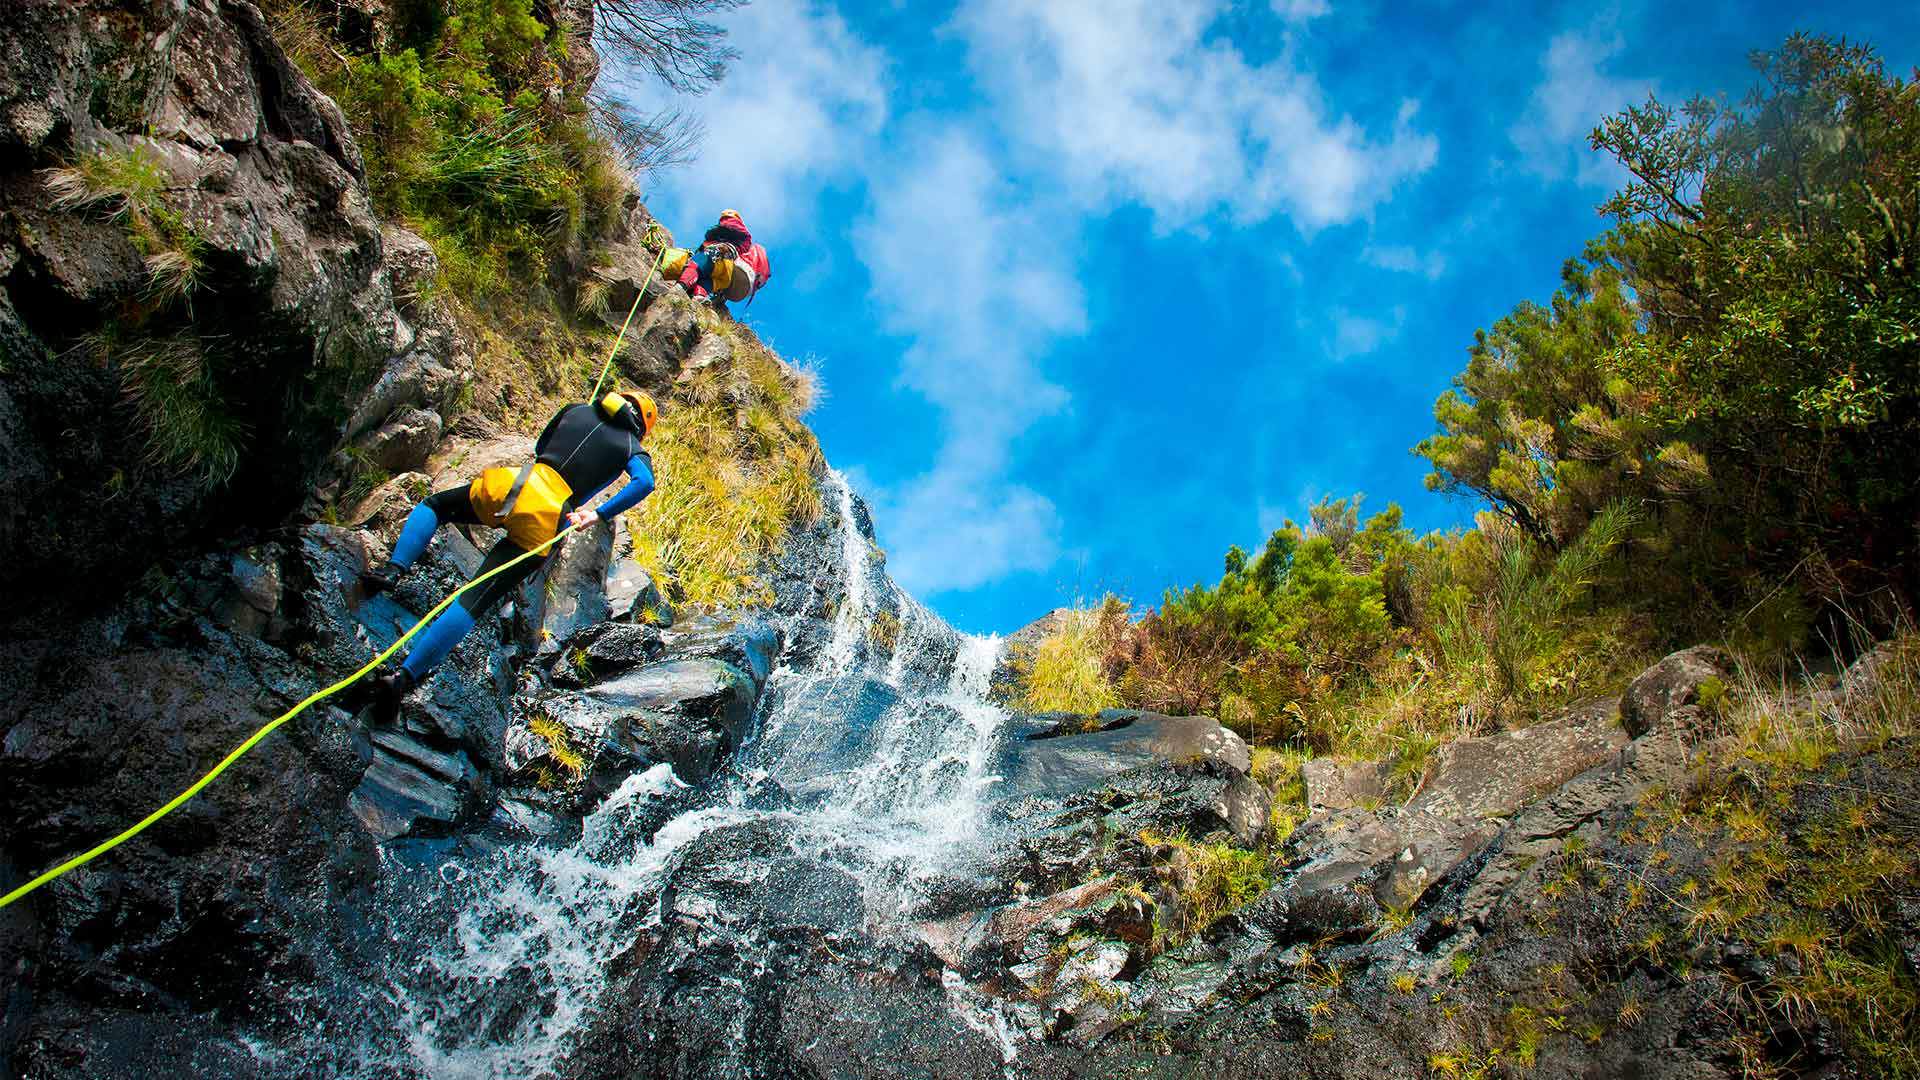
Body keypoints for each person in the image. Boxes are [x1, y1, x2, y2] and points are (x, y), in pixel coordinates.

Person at [360, 389, 659, 725]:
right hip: (546, 515)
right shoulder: (632, 445)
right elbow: (644, 482)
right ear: (642, 425)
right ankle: (402, 679)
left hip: (514, 484)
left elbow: (542, 448)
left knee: (436, 506)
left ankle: (393, 569)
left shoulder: (576, 409)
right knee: (474, 598)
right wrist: (598, 514)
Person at [676, 209, 772, 308]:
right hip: (730, 276)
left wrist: (709, 237)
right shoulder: (743, 242)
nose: (724, 218)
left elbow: (725, 225)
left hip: (721, 259)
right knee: (709, 280)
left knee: (696, 264)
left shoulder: (733, 227)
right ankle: (700, 295)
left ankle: (680, 286)